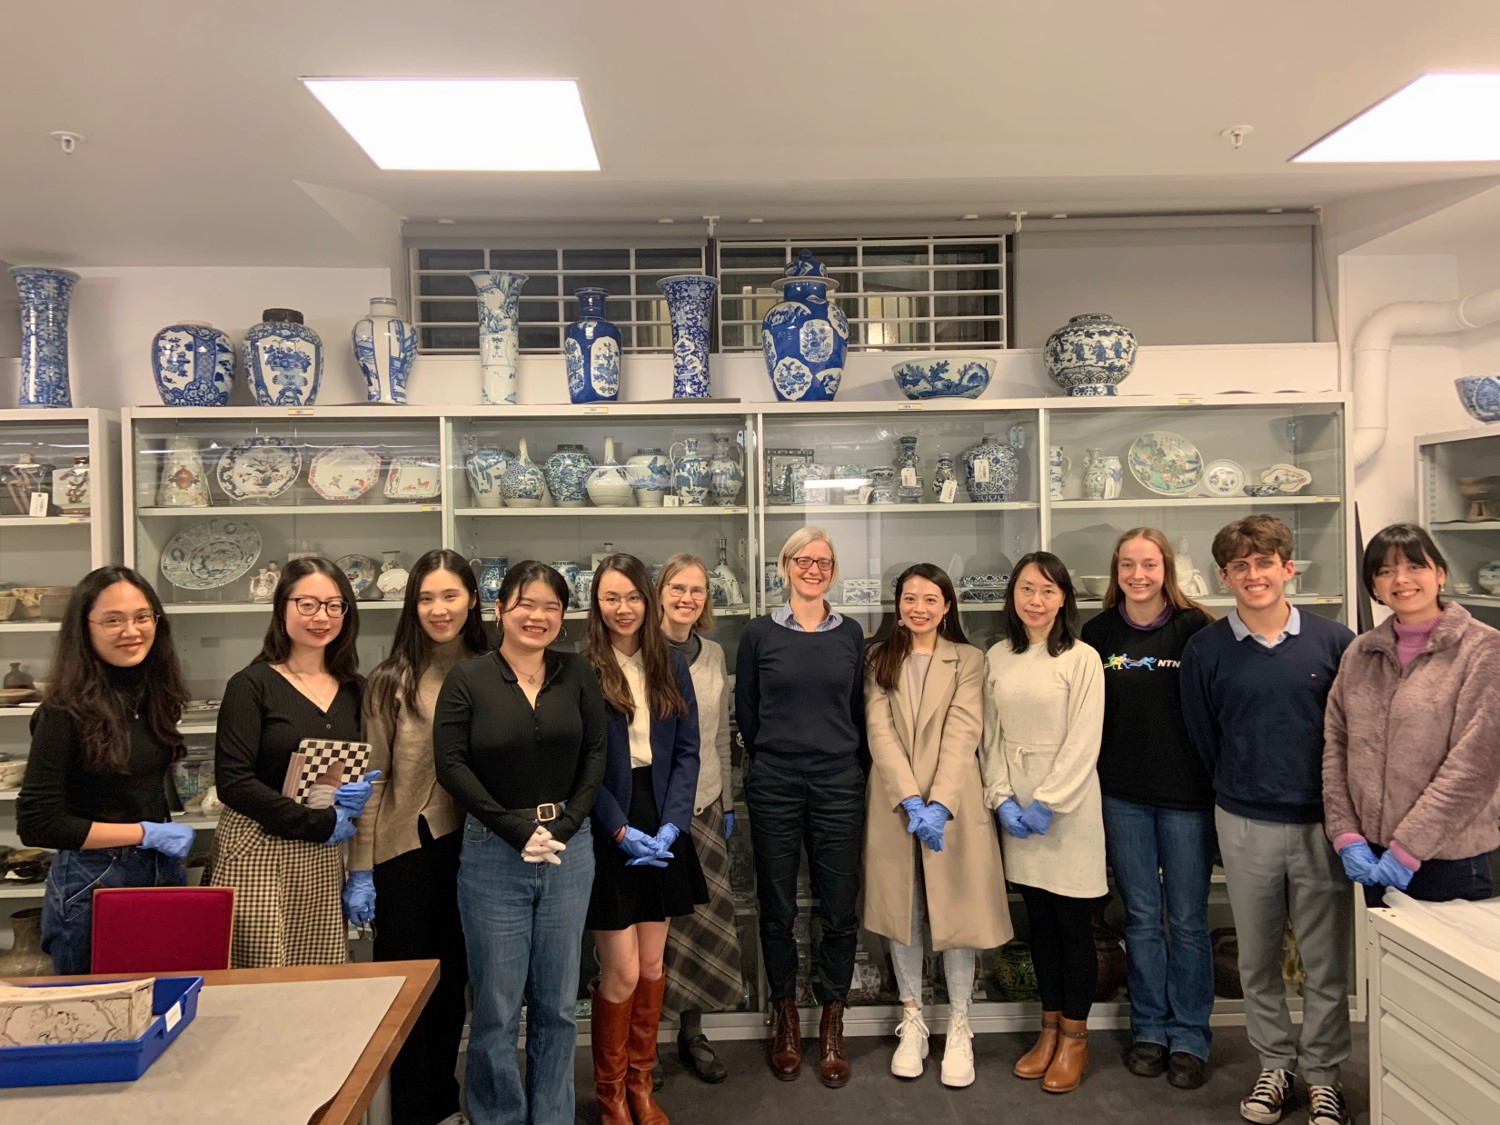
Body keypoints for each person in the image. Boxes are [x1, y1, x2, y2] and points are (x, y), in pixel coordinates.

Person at [1181, 515, 1356, 1125]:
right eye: (1240, 567)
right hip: (1244, 820)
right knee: (1256, 960)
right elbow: (1204, 737)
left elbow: (1352, 736)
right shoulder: (1205, 649)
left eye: (1265, 563)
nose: (1253, 576)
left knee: (1324, 961)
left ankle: (1324, 1076)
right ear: (1224, 576)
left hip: (1322, 824)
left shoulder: (1336, 642)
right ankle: (1274, 1067)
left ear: (1288, 567)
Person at [433, 561, 605, 1125]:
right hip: (492, 852)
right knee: (497, 1008)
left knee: (558, 1006)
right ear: (500, 609)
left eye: (551, 606)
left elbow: (595, 757)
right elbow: (452, 764)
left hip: (568, 851)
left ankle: (552, 1116)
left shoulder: (577, 672)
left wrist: (567, 825)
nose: (538, 616)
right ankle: (498, 1117)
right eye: (526, 604)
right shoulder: (469, 678)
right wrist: (514, 829)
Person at [348, 549, 487, 1125]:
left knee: (454, 982)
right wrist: (361, 866)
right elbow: (372, 781)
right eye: (426, 597)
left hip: (477, 849)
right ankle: (410, 1109)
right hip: (406, 852)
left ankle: (442, 1101)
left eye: (450, 595)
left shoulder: (493, 667)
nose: (438, 608)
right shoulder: (390, 681)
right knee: (407, 991)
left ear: (472, 600)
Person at [861, 563, 1011, 1087]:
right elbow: (879, 732)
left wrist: (939, 805)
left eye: (930, 599)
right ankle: (913, 1019)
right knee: (905, 911)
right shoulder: (878, 658)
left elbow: (964, 729)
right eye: (909, 598)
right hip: (893, 803)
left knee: (957, 914)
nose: (918, 608)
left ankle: (961, 1024)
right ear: (897, 605)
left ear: (947, 606)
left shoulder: (969, 659)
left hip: (955, 805)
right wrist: (909, 798)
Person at [1080, 529, 1215, 1090]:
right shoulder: (1098, 632)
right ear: (1116, 570)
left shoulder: (1197, 629)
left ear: (1167, 569)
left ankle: (1190, 1035)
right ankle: (1149, 1029)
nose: (1139, 574)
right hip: (1121, 796)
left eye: (1150, 564)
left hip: (1187, 797)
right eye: (1129, 564)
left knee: (1186, 920)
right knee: (1140, 918)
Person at [735, 527, 867, 1088]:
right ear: (784, 566)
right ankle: (786, 1016)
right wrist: (774, 758)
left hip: (839, 780)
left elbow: (860, 710)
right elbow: (747, 712)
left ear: (833, 570)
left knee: (839, 907)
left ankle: (832, 1020)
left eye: (824, 561)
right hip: (776, 780)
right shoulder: (758, 634)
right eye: (803, 560)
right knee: (777, 905)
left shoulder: (851, 633)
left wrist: (847, 764)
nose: (813, 569)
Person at [17, 566, 194, 974]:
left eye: (142, 617)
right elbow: (38, 823)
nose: (131, 630)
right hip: (94, 878)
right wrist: (145, 832)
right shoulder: (63, 712)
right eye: (113, 620)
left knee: (165, 1004)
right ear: (85, 628)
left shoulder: (154, 694)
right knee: (93, 1016)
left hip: (158, 869)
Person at [585, 552, 706, 1125]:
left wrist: (672, 825)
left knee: (654, 965)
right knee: (622, 971)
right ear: (596, 603)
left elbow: (687, 751)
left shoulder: (671, 663)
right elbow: (581, 766)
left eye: (633, 596)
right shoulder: (581, 666)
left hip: (660, 815)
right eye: (612, 597)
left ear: (648, 601)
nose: (624, 608)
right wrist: (618, 828)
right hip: (607, 816)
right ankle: (608, 1093)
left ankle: (640, 1084)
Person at [207, 557, 374, 968]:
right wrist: (318, 823)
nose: (322, 617)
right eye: (308, 604)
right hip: (256, 852)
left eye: (335, 606)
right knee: (258, 982)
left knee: (318, 982)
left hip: (320, 858)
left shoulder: (356, 689)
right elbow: (234, 783)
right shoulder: (252, 685)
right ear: (282, 607)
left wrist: (358, 792)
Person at [980, 551, 1105, 1095]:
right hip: (1017, 806)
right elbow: (991, 735)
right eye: (1028, 589)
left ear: (1063, 599)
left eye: (1048, 591)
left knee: (1075, 927)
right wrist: (1002, 796)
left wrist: (1048, 801)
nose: (1036, 600)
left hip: (1070, 809)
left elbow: (1085, 739)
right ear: (1013, 595)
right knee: (1040, 926)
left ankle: (1075, 1037)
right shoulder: (997, 657)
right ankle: (1048, 1029)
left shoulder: (1082, 658)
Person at [1323, 523, 1500, 906]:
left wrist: (1409, 848)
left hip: (1448, 859)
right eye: (1385, 571)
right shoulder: (1361, 652)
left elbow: (1476, 764)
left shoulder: (1483, 649)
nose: (1400, 580)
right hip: (1368, 854)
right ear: (1373, 586)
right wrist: (1345, 833)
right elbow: (1336, 746)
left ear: (1439, 573)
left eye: (1414, 567)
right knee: (1378, 966)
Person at [656, 553, 743, 1085]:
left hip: (704, 806)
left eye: (697, 590)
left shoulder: (711, 655)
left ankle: (693, 1034)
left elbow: (718, 738)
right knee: (651, 933)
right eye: (678, 587)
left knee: (702, 928)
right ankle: (642, 1042)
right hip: (649, 814)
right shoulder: (638, 651)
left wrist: (727, 803)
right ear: (658, 592)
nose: (688, 598)